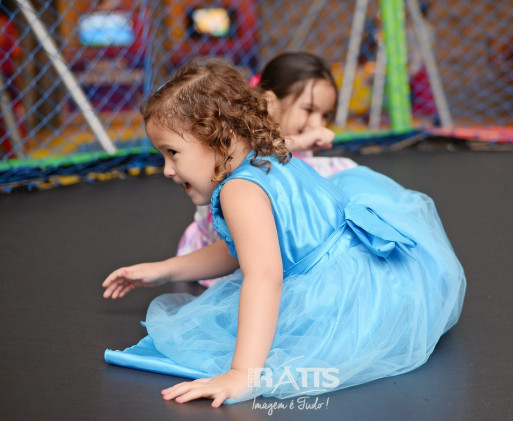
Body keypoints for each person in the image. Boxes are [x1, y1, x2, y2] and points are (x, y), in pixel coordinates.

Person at [102, 59, 466, 407]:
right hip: (384, 277)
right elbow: (242, 249)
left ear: (218, 137)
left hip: (340, 297)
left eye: (172, 152)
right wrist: (165, 269)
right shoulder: (266, 155)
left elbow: (264, 276)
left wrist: (242, 374)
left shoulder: (238, 189)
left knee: (226, 336)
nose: (167, 170)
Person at [176, 52, 358, 287]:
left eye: (324, 115)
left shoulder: (298, 143)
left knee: (346, 171)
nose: (317, 123)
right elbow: (257, 151)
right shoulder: (242, 131)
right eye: (308, 110)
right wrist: (302, 141)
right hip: (225, 246)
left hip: (270, 238)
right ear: (270, 103)